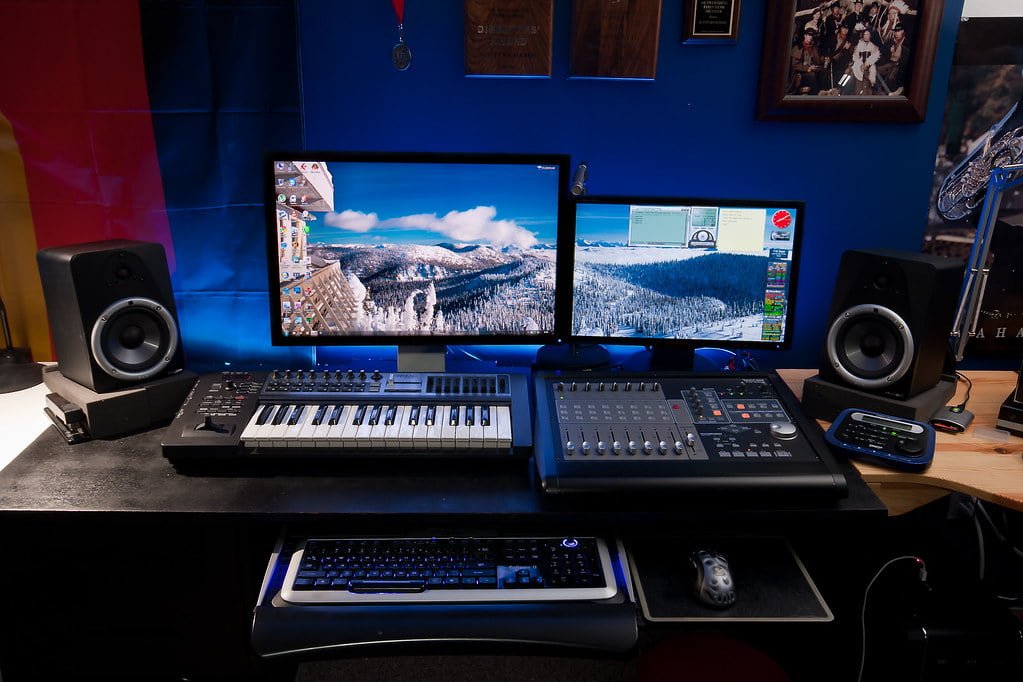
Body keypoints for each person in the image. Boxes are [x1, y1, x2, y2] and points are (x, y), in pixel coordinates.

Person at [789, 25, 825, 95]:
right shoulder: (798, 47)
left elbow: (817, 60)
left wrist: (825, 59)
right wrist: (807, 69)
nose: (810, 37)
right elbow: (795, 65)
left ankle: (823, 94)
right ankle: (814, 95)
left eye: (812, 35)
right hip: (800, 73)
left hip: (812, 69)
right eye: (809, 35)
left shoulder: (813, 47)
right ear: (805, 36)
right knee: (812, 76)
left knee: (825, 73)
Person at [877, 23, 911, 95]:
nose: (896, 33)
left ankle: (896, 90)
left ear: (903, 32)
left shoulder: (906, 46)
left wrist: (896, 57)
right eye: (895, 31)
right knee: (877, 69)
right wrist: (891, 54)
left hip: (899, 68)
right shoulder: (890, 41)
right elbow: (883, 53)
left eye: (899, 31)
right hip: (888, 64)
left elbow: (904, 63)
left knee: (891, 76)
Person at [851, 27, 881, 95]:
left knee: (870, 75)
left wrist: (868, 64)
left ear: (870, 36)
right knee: (856, 75)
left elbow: (875, 56)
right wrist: (860, 64)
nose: (866, 36)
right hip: (859, 64)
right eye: (865, 34)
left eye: (868, 34)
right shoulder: (859, 44)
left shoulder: (873, 46)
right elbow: (855, 56)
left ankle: (867, 93)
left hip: (869, 65)